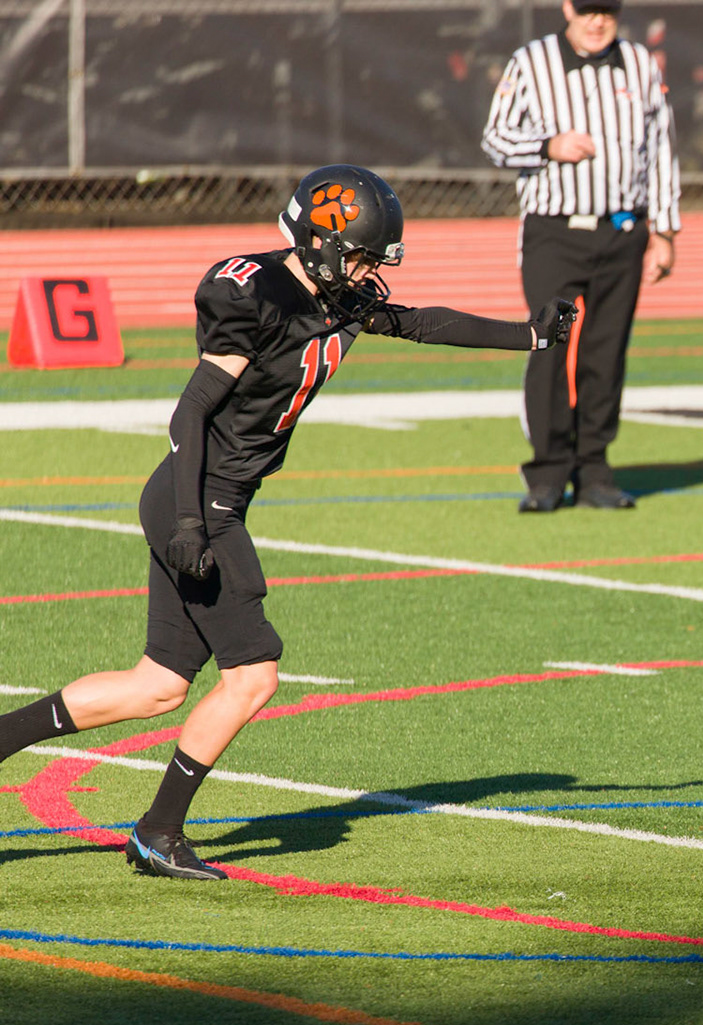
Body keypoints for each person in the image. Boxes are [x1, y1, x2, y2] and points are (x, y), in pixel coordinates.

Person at [0, 166, 575, 879]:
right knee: (253, 675)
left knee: (157, 685)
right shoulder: (255, 294)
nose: (367, 271)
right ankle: (158, 831)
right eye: (360, 255)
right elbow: (192, 411)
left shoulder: (338, 297)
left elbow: (421, 323)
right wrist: (190, 522)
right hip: (196, 496)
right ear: (321, 241)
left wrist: (531, 336)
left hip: (209, 498)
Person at [482, 0, 681, 513]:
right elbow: (495, 139)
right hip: (555, 229)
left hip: (622, 230)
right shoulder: (532, 61)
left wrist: (664, 231)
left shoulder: (639, 62)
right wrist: (548, 146)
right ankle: (547, 471)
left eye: (607, 11)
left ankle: (595, 468)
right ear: (568, 7)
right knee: (549, 341)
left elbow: (661, 148)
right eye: (588, 9)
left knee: (606, 352)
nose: (597, 21)